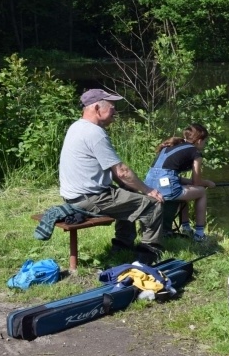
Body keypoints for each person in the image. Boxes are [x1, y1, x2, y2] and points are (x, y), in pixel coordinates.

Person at [59, 88, 165, 264]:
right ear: (96, 109)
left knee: (127, 195)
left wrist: (128, 186)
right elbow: (122, 171)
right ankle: (148, 254)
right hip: (90, 198)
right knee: (153, 205)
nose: (115, 111)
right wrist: (148, 190)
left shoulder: (76, 127)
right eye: (111, 107)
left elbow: (112, 170)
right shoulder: (94, 132)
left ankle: (122, 246)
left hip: (74, 196)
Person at [144, 123, 215, 242]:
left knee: (185, 188)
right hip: (167, 186)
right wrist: (208, 183)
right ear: (199, 141)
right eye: (205, 141)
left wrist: (190, 183)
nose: (204, 144)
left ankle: (186, 227)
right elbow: (197, 182)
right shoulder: (195, 152)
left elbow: (168, 174)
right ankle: (199, 234)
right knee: (201, 192)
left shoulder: (173, 146)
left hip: (149, 185)